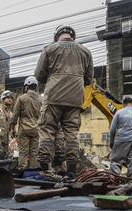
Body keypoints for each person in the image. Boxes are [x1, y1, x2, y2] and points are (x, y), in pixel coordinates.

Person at [35, 25, 93, 178]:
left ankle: (44, 167)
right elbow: (88, 79)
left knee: (47, 130)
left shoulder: (49, 49)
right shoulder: (86, 52)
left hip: (53, 97)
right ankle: (72, 170)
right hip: (75, 100)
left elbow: (39, 75)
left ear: (57, 36)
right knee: (71, 134)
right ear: (72, 36)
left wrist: (53, 77)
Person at [10, 76, 42, 170]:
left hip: (24, 130)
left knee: (23, 153)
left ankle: (22, 171)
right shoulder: (41, 99)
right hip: (36, 130)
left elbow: (15, 116)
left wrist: (13, 130)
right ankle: (33, 173)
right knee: (34, 153)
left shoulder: (21, 98)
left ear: (27, 86)